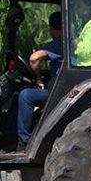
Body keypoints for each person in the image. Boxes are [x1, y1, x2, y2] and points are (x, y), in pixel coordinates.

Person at [16, 11, 62, 149]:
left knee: (26, 96)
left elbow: (34, 58)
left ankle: (25, 141)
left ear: (52, 28)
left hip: (58, 92)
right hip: (56, 87)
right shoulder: (65, 42)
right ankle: (9, 137)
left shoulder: (59, 42)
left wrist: (38, 79)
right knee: (19, 93)